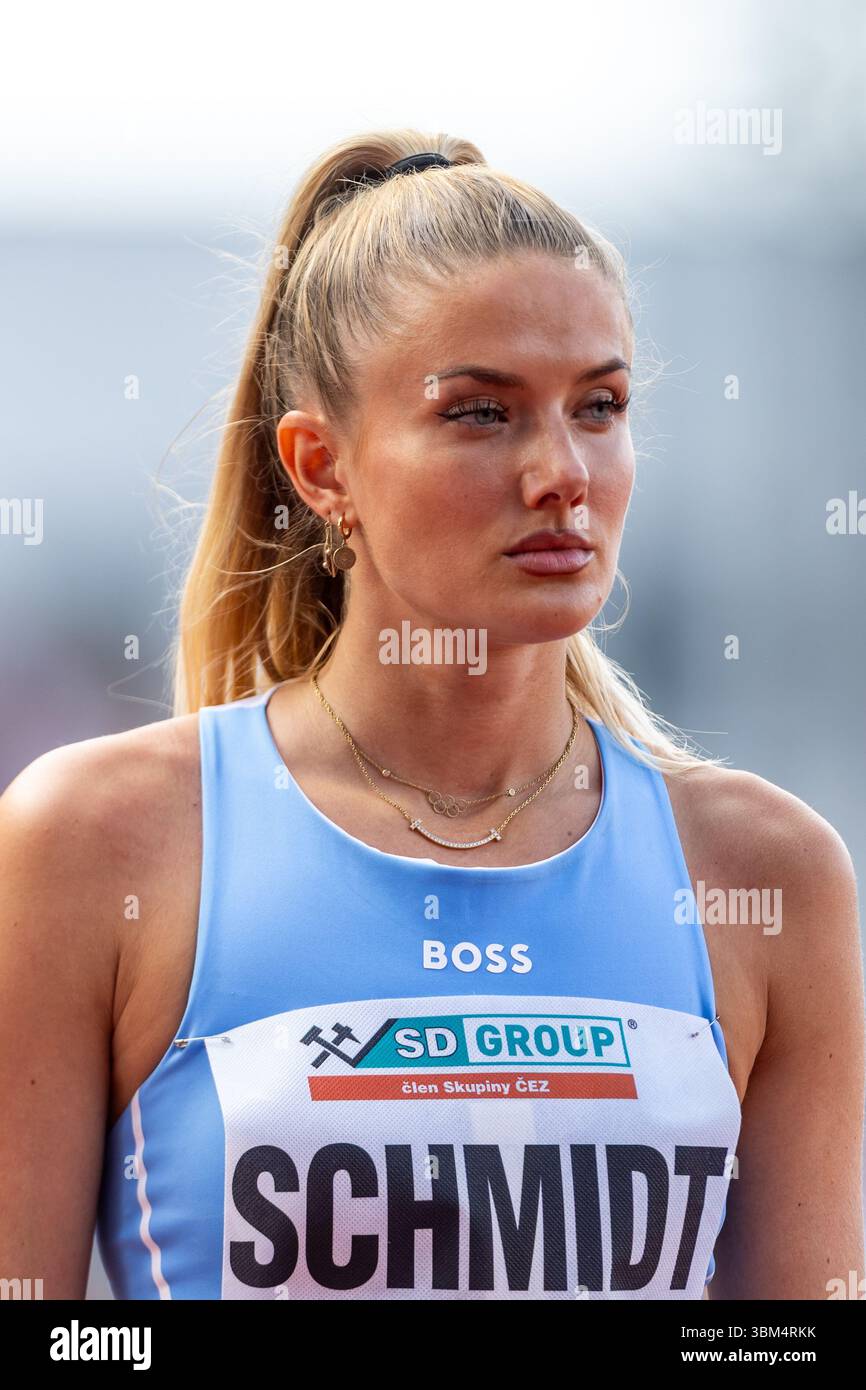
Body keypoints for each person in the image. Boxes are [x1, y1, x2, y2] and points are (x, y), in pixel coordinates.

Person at [0, 129, 863, 1301]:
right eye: (478, 414)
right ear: (320, 467)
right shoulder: (95, 840)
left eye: (598, 405)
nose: (560, 470)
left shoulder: (766, 873)